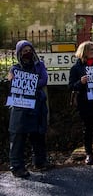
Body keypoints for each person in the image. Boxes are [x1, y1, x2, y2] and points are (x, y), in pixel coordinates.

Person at [7, 40, 50, 178]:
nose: (27, 53)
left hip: (37, 105)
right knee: (18, 136)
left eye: (29, 50)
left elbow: (44, 79)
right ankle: (17, 167)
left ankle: (40, 162)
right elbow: (13, 83)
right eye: (24, 51)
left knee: (38, 135)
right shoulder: (14, 69)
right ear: (19, 53)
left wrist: (29, 83)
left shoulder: (39, 65)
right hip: (21, 107)